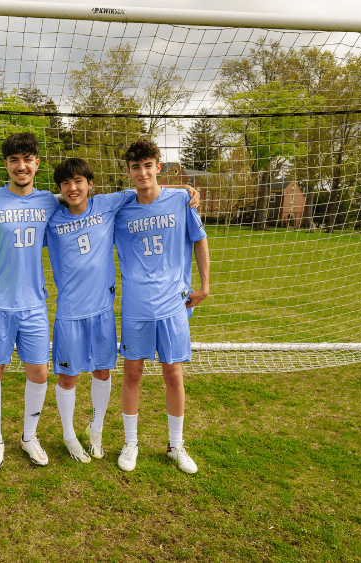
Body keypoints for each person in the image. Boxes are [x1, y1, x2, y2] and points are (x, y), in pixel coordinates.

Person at [114, 138, 210, 474]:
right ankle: (131, 442)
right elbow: (78, 199)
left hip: (173, 304)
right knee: (133, 373)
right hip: (137, 306)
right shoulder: (121, 207)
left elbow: (199, 241)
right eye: (135, 167)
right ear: (128, 172)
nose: (142, 173)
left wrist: (205, 287)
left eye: (148, 165)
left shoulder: (181, 200)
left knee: (173, 373)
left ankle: (176, 445)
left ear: (158, 166)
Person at [0, 132, 60, 470]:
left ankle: (29, 436)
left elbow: (94, 199)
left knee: (39, 372)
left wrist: (177, 191)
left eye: (27, 159)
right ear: (6, 165)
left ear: (37, 163)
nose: (21, 166)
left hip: (33, 304)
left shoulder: (50, 201)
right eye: (14, 160)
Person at [46, 158, 135, 463]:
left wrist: (186, 188)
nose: (73, 188)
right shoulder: (52, 217)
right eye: (65, 183)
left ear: (90, 184)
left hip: (102, 310)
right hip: (69, 312)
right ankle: (69, 435)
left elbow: (145, 187)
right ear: (59, 189)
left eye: (78, 181)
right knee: (68, 377)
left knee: (102, 371)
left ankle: (95, 431)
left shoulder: (106, 204)